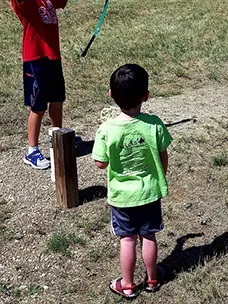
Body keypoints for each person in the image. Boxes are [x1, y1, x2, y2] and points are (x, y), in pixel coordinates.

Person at [10, 0, 112, 169]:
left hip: (52, 55)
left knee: (56, 100)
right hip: (35, 57)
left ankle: (57, 138)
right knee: (38, 106)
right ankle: (32, 150)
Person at [93, 64, 172, 299]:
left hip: (122, 196)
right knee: (148, 236)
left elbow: (100, 163)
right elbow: (162, 155)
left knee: (127, 239)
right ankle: (152, 279)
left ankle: (127, 285)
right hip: (149, 192)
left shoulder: (107, 129)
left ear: (111, 94)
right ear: (146, 96)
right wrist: (159, 177)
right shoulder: (154, 124)